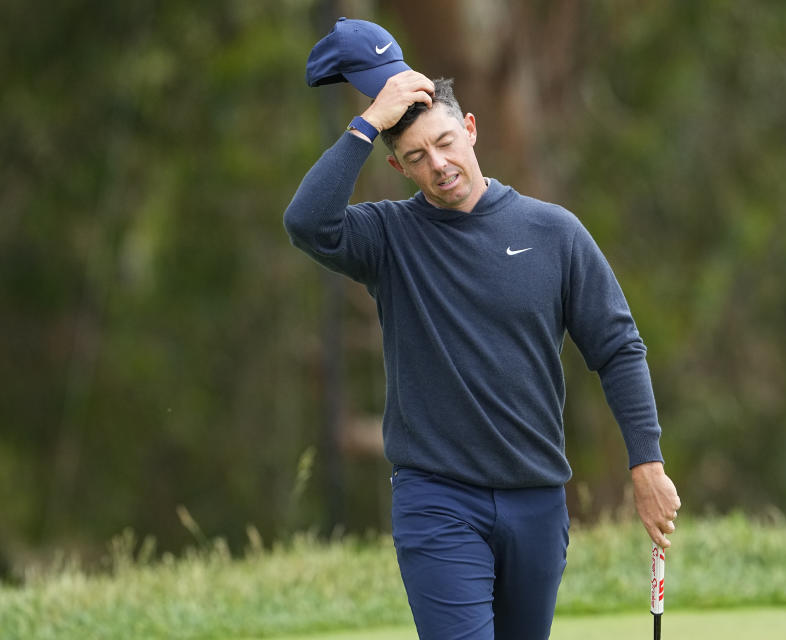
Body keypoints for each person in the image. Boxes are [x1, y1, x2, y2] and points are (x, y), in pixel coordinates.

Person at [283, 70, 681, 640]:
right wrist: (368, 122)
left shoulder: (554, 232)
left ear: (470, 130)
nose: (438, 164)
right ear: (398, 167)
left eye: (445, 143)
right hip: (437, 498)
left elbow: (618, 348)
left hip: (537, 499)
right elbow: (306, 222)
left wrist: (647, 464)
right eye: (416, 156)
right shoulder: (389, 238)